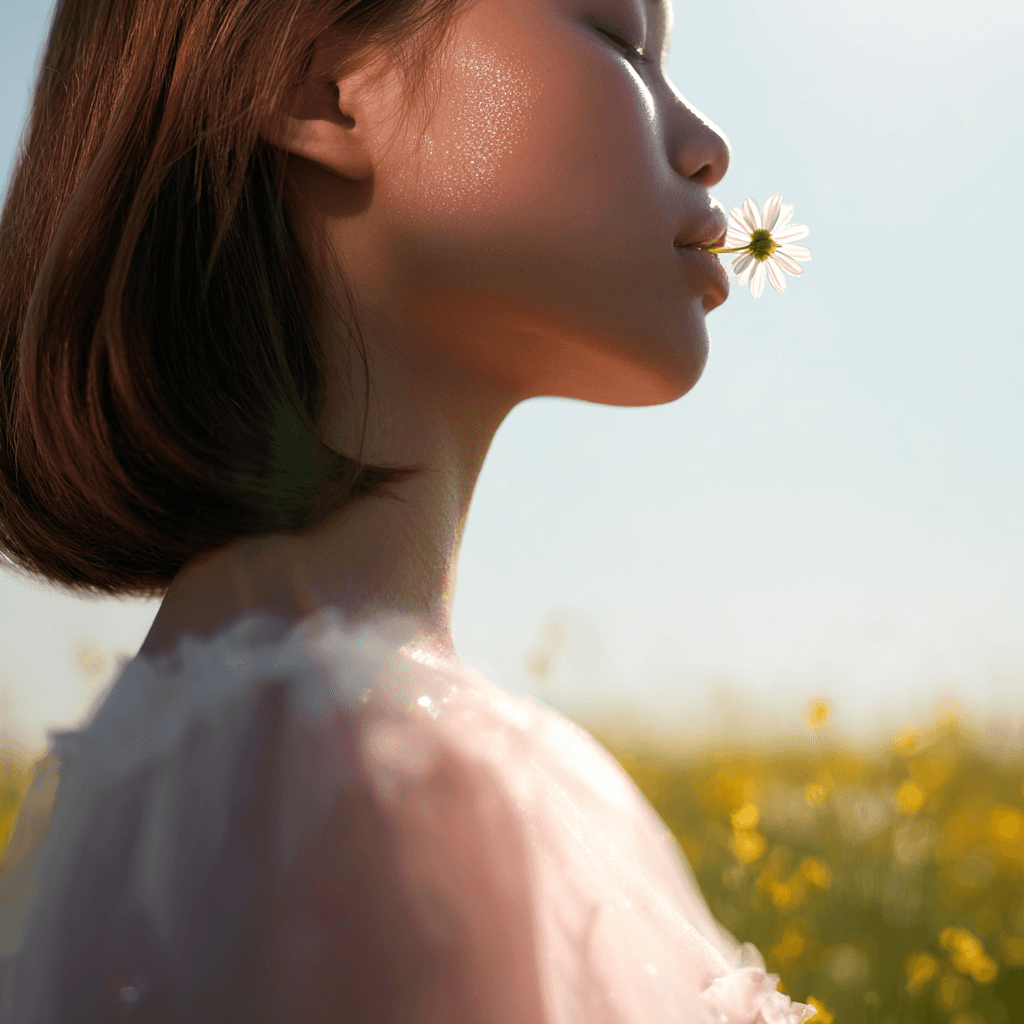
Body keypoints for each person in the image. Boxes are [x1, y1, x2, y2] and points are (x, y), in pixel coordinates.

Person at [0, 0, 815, 1019]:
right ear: (326, 95)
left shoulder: (182, 766)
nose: (705, 146)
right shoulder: (368, 776)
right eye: (616, 39)